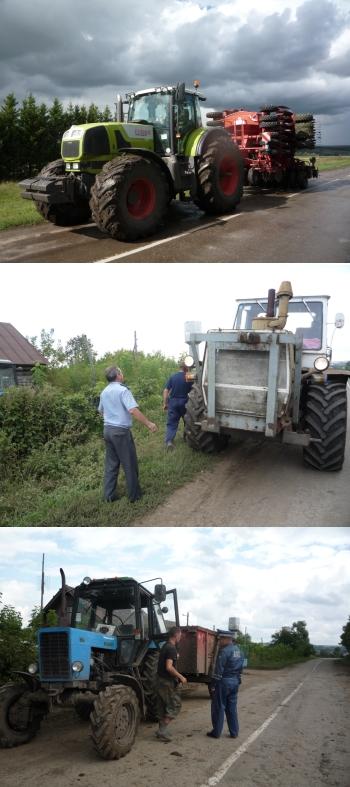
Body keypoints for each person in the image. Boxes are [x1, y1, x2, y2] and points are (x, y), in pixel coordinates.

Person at [98, 366, 157, 503]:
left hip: (107, 430)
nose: (122, 374)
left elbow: (101, 411)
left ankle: (109, 496)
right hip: (120, 432)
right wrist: (149, 424)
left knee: (111, 465)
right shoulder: (123, 390)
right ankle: (134, 496)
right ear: (118, 375)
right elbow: (133, 410)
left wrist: (112, 417)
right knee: (129, 463)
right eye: (121, 372)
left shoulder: (104, 392)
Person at [207, 630, 244, 739]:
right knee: (232, 708)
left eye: (221, 639)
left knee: (218, 707)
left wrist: (213, 685)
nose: (220, 641)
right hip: (235, 682)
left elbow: (218, 670)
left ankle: (216, 732)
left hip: (223, 682)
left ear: (228, 639)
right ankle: (234, 732)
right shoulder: (239, 651)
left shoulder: (224, 651)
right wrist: (237, 680)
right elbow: (241, 669)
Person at [155, 626, 187, 741]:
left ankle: (161, 730)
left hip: (159, 680)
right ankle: (162, 731)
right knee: (175, 706)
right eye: (180, 635)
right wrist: (181, 677)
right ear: (176, 635)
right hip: (167, 682)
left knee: (162, 706)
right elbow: (169, 667)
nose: (181, 637)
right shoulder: (171, 648)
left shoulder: (165, 646)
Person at [163, 363, 193, 449]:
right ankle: (187, 437)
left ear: (179, 367)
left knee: (172, 423)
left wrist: (165, 403)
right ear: (187, 368)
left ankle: (169, 441)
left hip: (173, 402)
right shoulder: (189, 377)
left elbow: (165, 391)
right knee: (187, 421)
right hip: (185, 402)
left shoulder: (173, 376)